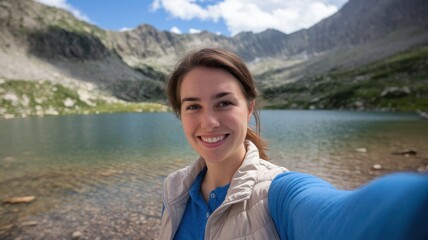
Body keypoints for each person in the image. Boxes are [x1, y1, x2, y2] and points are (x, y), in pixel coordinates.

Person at [158, 48, 428, 240]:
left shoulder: (279, 193)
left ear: (249, 109)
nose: (209, 122)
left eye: (224, 103)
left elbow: (339, 215)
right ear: (180, 115)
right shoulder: (175, 188)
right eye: (193, 106)